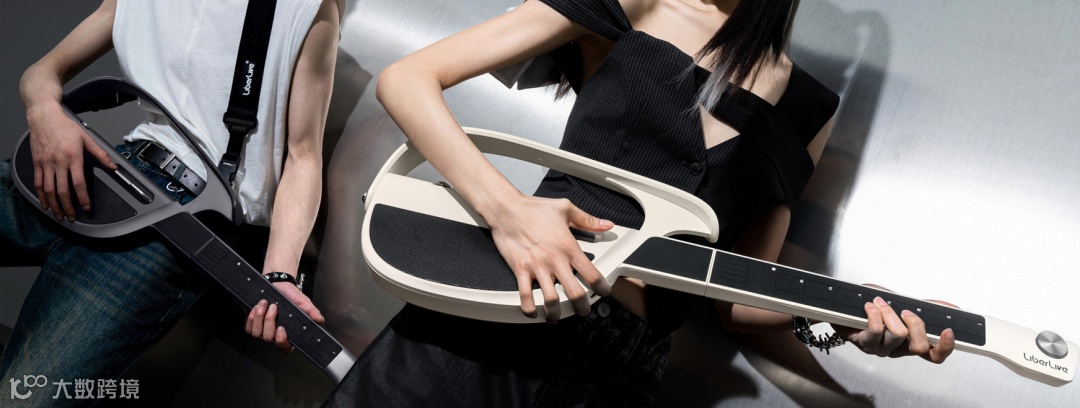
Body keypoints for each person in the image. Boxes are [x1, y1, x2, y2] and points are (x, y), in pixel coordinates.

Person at [323, 0, 954, 406]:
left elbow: (737, 300)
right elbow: (407, 79)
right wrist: (509, 212)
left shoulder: (807, 108)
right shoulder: (639, 2)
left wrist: (840, 316)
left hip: (617, 373)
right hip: (504, 305)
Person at [0, 0, 341, 405]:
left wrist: (279, 274)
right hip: (100, 169)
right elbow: (41, 72)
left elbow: (303, 156)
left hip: (175, 224)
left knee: (22, 397)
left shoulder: (304, 8)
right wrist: (44, 111)